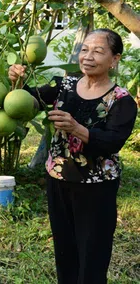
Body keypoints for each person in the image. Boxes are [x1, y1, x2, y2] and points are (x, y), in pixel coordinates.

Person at [9, 29, 137, 284]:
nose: (88, 56)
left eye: (98, 51)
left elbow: (113, 142)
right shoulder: (62, 86)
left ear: (114, 59)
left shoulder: (121, 100)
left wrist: (76, 128)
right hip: (58, 181)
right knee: (65, 252)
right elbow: (28, 100)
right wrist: (15, 81)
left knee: (92, 255)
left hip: (96, 188)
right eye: (85, 49)